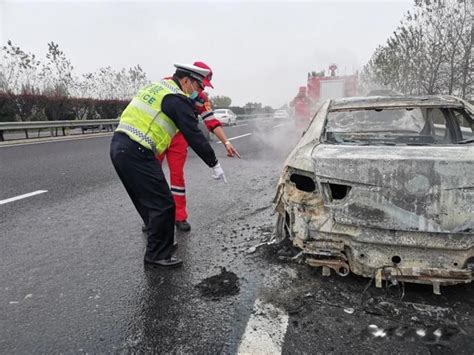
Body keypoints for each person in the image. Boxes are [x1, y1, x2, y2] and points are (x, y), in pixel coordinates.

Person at [110, 63, 226, 268]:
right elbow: (194, 134)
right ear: (186, 80)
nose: (200, 91)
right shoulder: (176, 98)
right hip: (137, 151)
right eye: (199, 86)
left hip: (121, 146)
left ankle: (161, 244)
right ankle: (156, 255)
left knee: (149, 202)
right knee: (164, 204)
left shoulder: (158, 87)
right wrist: (214, 164)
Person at [158, 61, 240, 232]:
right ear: (190, 78)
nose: (202, 90)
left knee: (177, 177)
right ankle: (151, 214)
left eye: (204, 87)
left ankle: (180, 217)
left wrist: (226, 142)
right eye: (201, 85)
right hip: (158, 133)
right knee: (152, 174)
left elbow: (211, 121)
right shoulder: (166, 84)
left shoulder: (201, 99)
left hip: (179, 137)